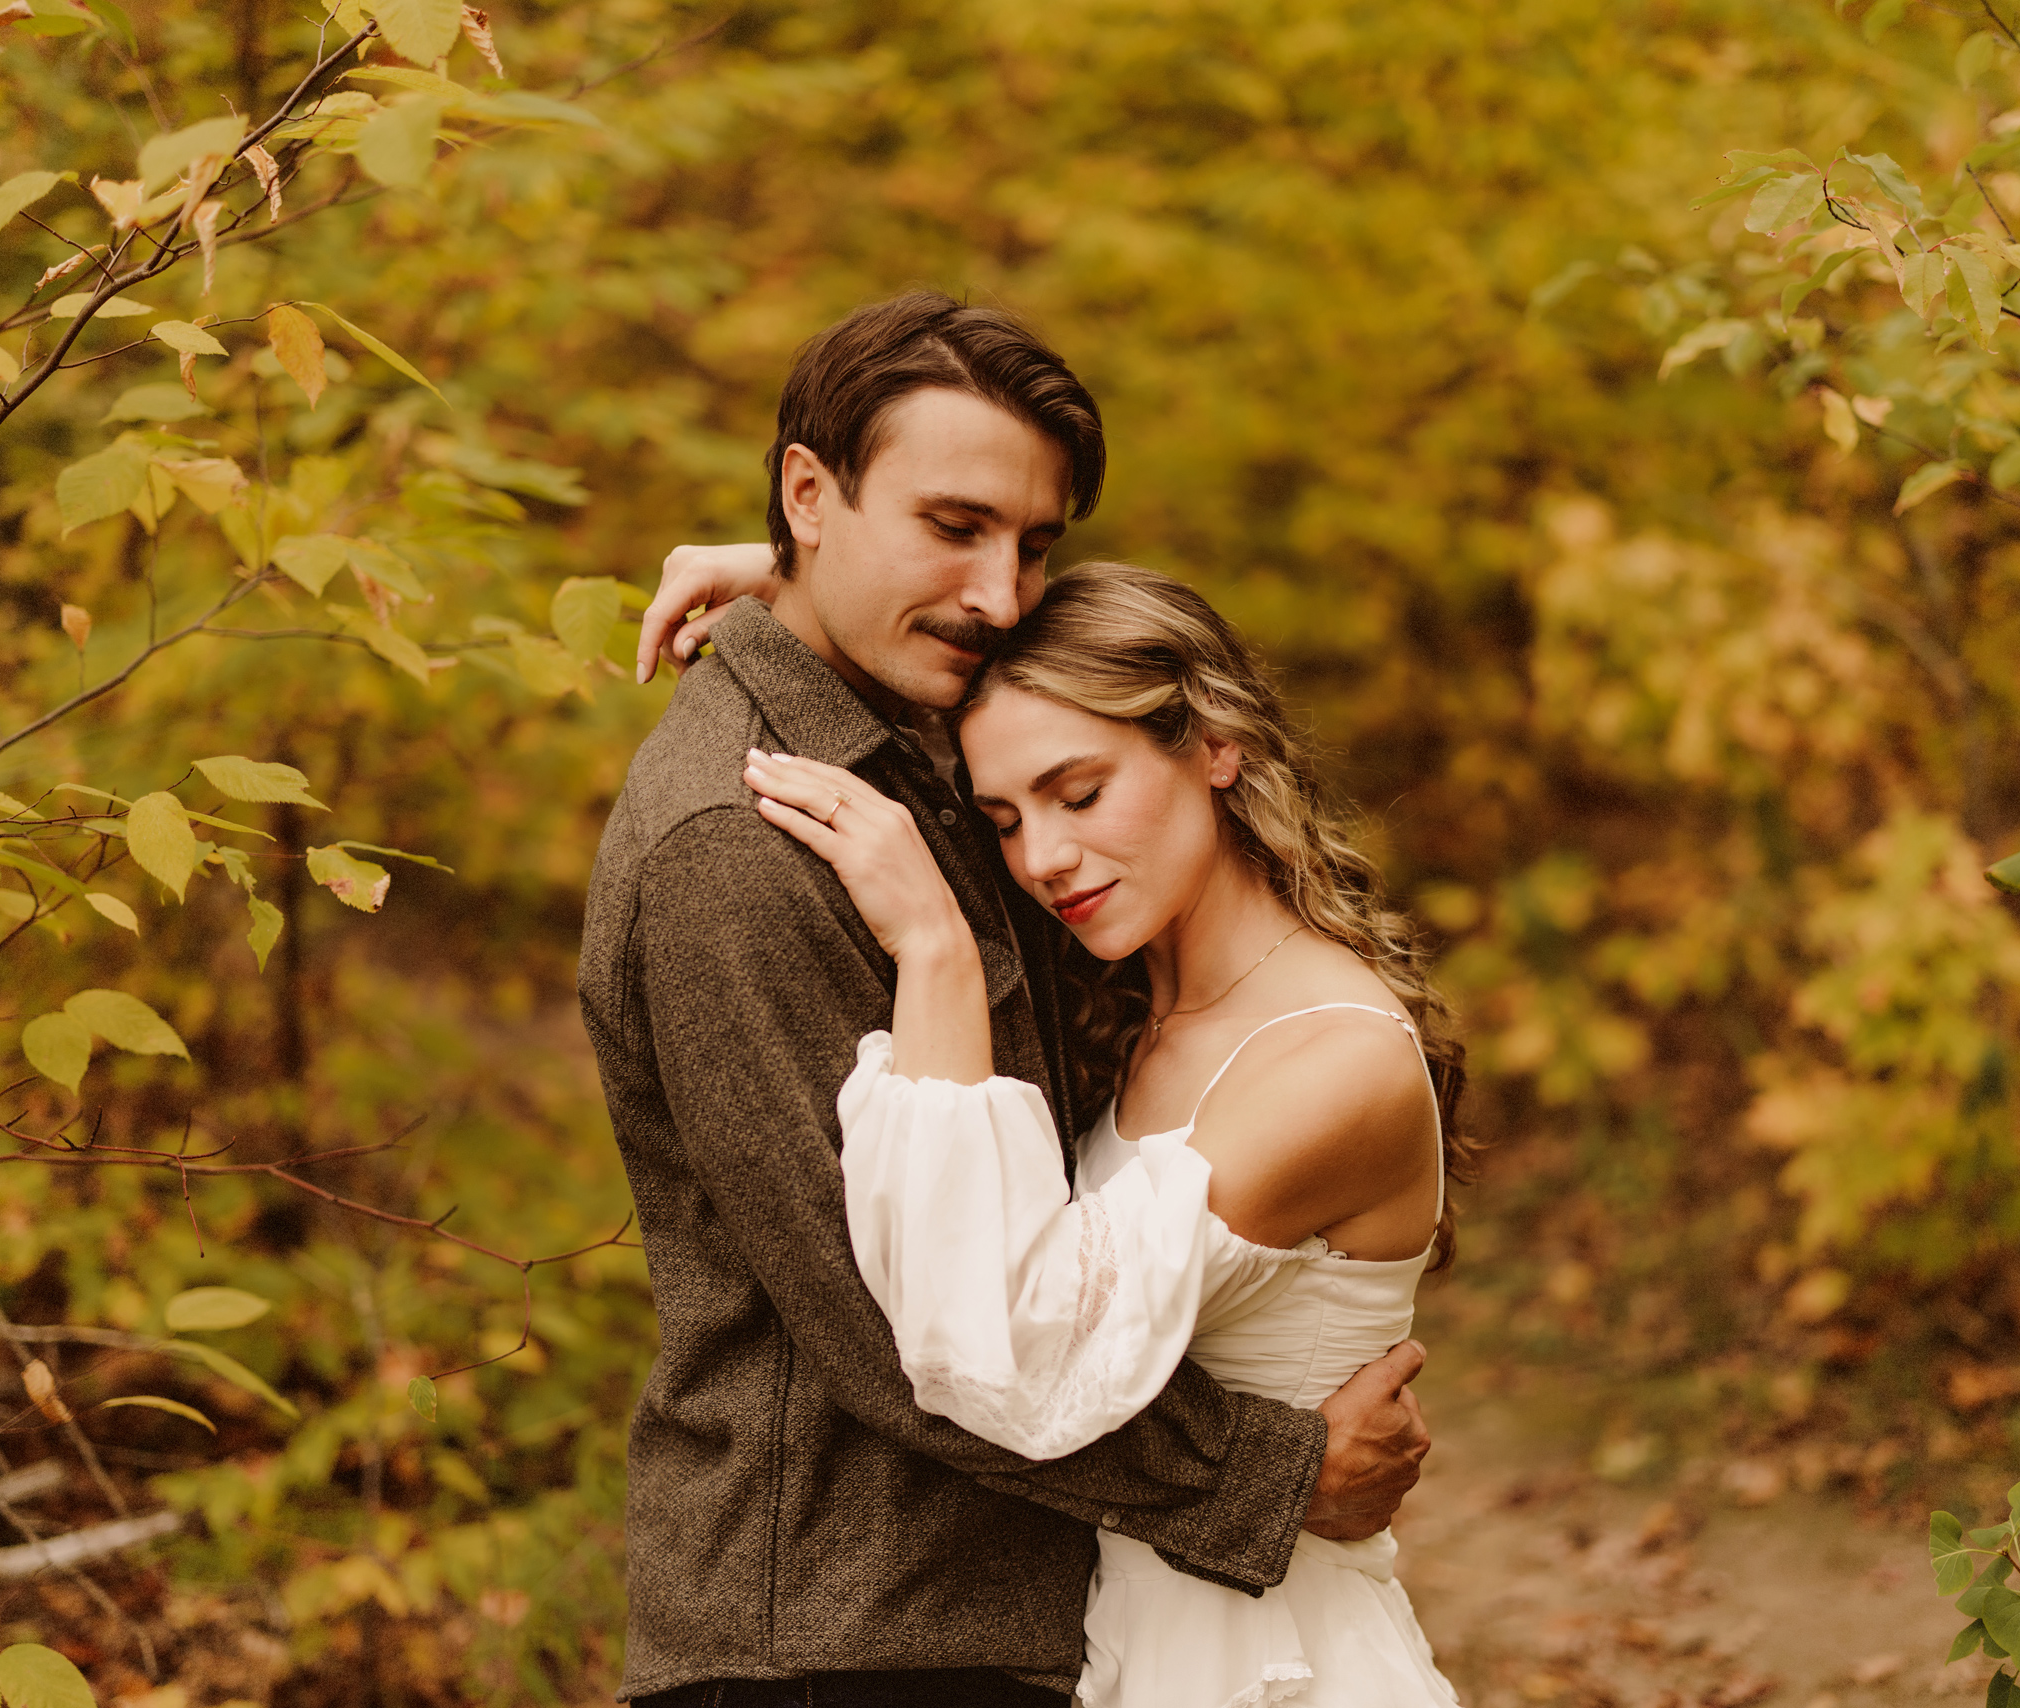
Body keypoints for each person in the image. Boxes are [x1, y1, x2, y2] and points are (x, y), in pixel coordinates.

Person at [578, 289, 1431, 1708]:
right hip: (842, 1644)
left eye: (1033, 544)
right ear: (811, 490)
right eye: (955, 525)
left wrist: (801, 579)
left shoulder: (916, 739)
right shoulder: (741, 849)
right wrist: (1272, 1476)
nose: (999, 594)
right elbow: (900, 1335)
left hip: (994, 1626)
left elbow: (1079, 695)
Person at [740, 561, 1468, 1707]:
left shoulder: (1334, 1059)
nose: (1041, 860)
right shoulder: (1135, 1003)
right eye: (1005, 820)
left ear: (1213, 743)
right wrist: (779, 577)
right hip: (1133, 1637)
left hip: (1269, 1664)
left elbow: (1012, 1348)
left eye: (1078, 794)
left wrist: (934, 944)